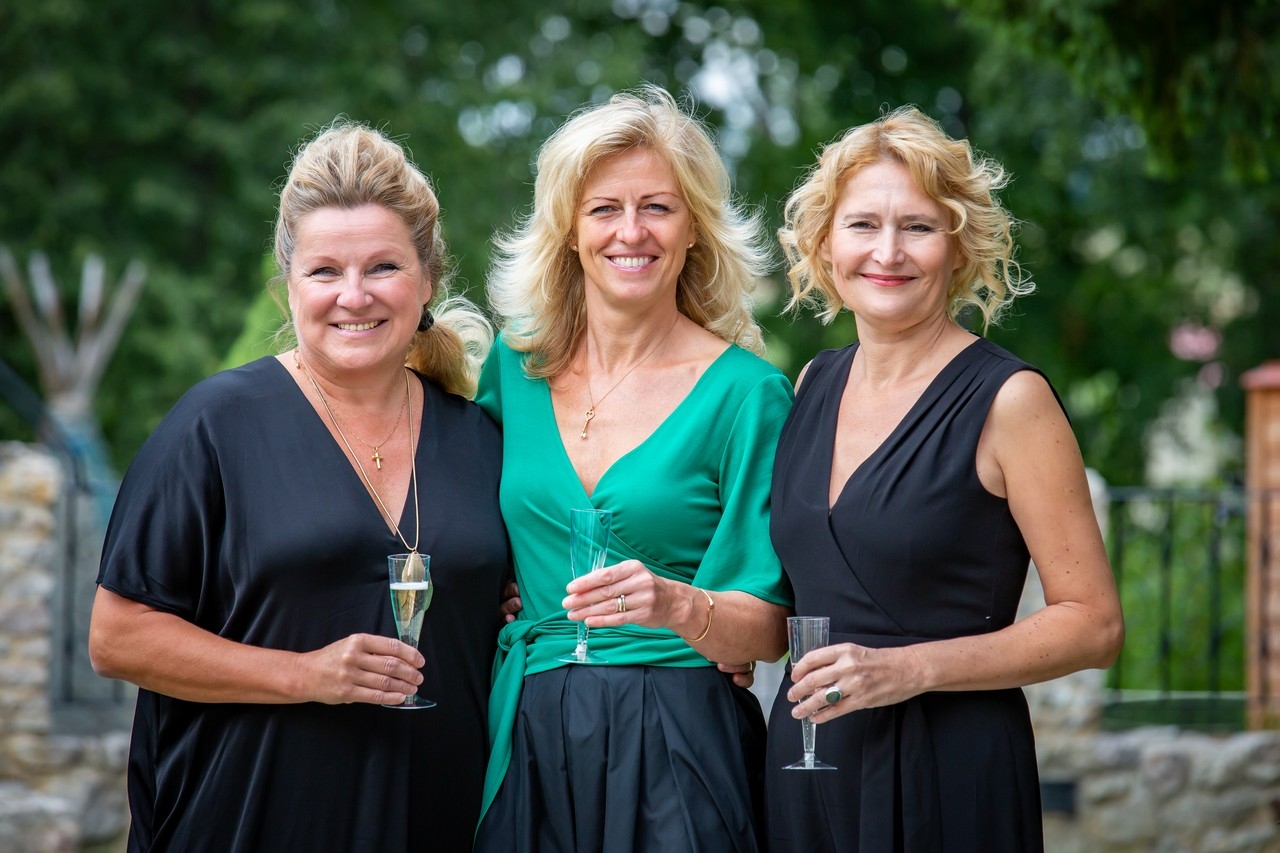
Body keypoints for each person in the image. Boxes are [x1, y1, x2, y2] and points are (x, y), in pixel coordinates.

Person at [87, 120, 510, 852]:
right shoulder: (214, 426)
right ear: (288, 286)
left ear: (427, 280)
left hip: (438, 823)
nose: (354, 295)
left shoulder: (481, 439)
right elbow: (116, 636)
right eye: (324, 272)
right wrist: (305, 674)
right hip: (247, 820)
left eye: (383, 267)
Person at [763, 106, 1124, 851]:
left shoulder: (1010, 400)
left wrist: (909, 669)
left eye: (918, 227)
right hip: (809, 764)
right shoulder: (811, 382)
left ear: (959, 247)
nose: (887, 251)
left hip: (950, 772)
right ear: (826, 244)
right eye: (863, 225)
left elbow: (1094, 624)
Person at [472, 85, 794, 852]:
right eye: (604, 208)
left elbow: (770, 626)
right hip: (529, 727)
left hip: (680, 736)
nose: (631, 231)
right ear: (569, 229)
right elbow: (468, 520)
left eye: (658, 207)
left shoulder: (748, 395)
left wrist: (675, 602)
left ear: (694, 227)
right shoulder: (512, 369)